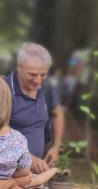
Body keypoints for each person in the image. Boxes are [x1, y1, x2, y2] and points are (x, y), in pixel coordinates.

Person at [7, 42, 65, 173]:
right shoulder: (4, 90)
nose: (38, 80)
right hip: (8, 173)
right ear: (19, 68)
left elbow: (57, 113)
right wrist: (25, 157)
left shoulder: (47, 87)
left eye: (43, 74)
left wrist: (55, 147)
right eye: (32, 75)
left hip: (36, 171)